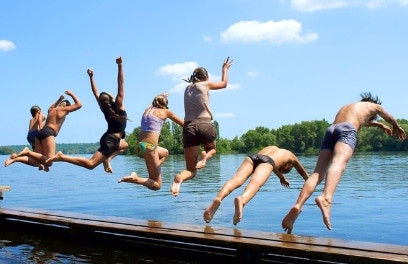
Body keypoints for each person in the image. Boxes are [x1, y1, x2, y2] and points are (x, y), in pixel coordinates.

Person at [282, 94, 406, 233]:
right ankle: (326, 198)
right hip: (347, 130)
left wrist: (380, 125)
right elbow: (389, 116)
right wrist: (396, 126)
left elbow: (364, 121)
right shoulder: (374, 106)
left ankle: (298, 205)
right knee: (339, 162)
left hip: (332, 129)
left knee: (318, 173)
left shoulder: (348, 107)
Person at [44, 57, 129, 173]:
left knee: (125, 145)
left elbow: (95, 92)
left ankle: (108, 159)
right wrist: (120, 65)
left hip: (109, 138)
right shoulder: (119, 105)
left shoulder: (105, 109)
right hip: (111, 140)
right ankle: (62, 157)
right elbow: (121, 83)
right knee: (90, 164)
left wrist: (91, 77)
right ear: (112, 99)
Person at [170, 57, 232, 196]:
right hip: (205, 124)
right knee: (212, 150)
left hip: (189, 127)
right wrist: (225, 69)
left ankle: (179, 179)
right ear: (205, 77)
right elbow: (224, 84)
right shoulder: (205, 84)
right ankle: (205, 158)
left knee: (191, 171)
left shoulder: (187, 89)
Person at [203, 146, 308, 225]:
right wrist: (311, 182)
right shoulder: (292, 156)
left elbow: (273, 165)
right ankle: (242, 200)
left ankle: (219, 198)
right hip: (267, 162)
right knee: (255, 184)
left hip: (252, 158)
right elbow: (304, 173)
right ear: (288, 165)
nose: (280, 170)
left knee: (236, 179)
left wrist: (281, 177)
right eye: (283, 170)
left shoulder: (273, 148)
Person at [119, 92, 184, 190]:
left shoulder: (147, 110)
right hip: (149, 148)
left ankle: (154, 168)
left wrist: (160, 96)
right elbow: (184, 124)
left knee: (165, 152)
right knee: (157, 185)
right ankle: (136, 179)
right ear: (165, 105)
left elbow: (152, 105)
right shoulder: (166, 112)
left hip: (139, 147)